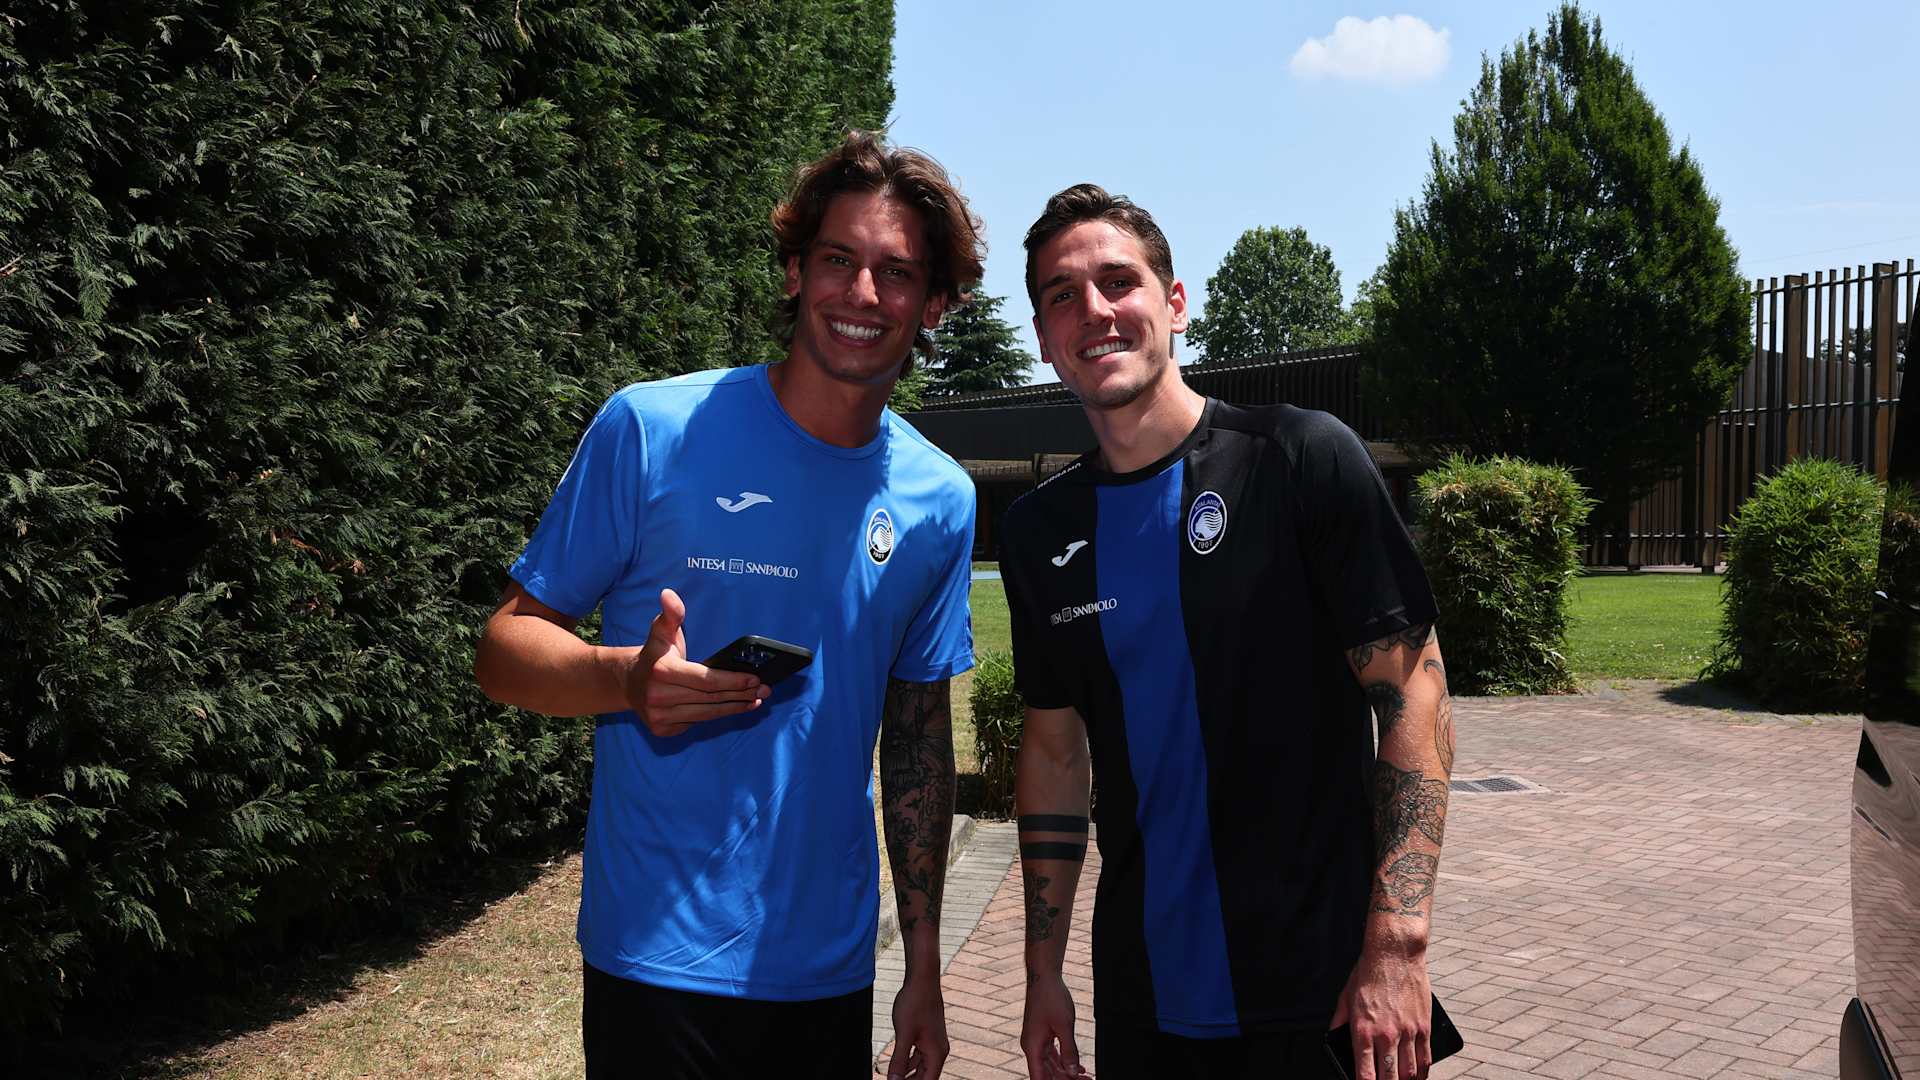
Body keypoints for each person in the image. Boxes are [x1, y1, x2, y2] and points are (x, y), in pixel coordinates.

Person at [473, 130, 984, 1080]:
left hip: (827, 972)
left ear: (934, 304)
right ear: (795, 272)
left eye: (897, 273)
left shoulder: (941, 500)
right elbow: (503, 648)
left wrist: (923, 965)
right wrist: (625, 680)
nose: (862, 294)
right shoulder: (652, 427)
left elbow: (918, 738)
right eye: (837, 260)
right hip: (654, 963)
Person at [1000, 184, 1455, 1080]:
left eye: (1118, 282)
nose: (1094, 310)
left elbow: (1414, 695)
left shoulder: (1300, 458)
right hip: (1143, 998)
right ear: (1046, 341)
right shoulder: (1038, 531)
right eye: (1061, 295)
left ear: (1174, 303)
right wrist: (1042, 971)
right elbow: (1054, 754)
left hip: (1323, 989)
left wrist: (1398, 945)